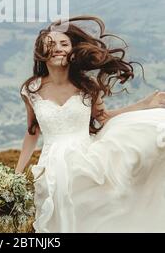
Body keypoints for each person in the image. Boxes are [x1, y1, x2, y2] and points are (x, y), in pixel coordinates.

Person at [15, 16, 165, 233]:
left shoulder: (87, 86)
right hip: (52, 167)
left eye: (64, 44)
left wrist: (145, 104)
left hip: (86, 162)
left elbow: (104, 118)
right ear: (41, 53)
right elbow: (32, 132)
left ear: (73, 51)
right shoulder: (31, 89)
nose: (57, 48)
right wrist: (17, 173)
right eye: (50, 44)